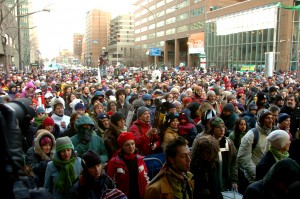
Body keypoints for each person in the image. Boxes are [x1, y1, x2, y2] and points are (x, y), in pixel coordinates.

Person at [107, 132, 149, 199]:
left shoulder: (140, 159)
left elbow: (146, 177)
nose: (131, 147)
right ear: (122, 147)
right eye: (127, 145)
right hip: (123, 196)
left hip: (140, 194)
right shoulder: (114, 162)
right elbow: (110, 181)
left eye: (132, 144)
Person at [237, 109, 274, 184]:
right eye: (267, 118)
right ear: (261, 120)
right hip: (254, 179)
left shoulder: (273, 134)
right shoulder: (252, 135)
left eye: (271, 118)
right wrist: (257, 174)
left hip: (268, 179)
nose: (270, 120)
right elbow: (243, 157)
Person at [206, 117, 238, 191]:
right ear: (212, 129)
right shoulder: (206, 143)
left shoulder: (229, 143)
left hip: (225, 183)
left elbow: (234, 162)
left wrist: (234, 180)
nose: (222, 129)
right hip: (211, 184)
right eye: (218, 127)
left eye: (223, 127)